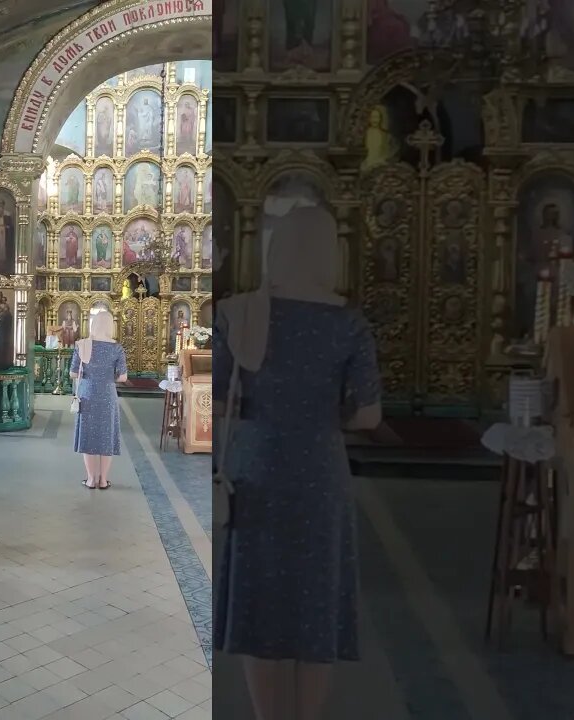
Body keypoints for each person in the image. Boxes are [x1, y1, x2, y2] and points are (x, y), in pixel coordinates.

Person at [214, 204, 382, 720]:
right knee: (314, 604)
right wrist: (321, 417)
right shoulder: (348, 324)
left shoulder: (237, 314)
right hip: (320, 472)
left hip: (256, 466)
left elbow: (220, 400)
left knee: (261, 601)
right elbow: (370, 416)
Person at [70, 309, 128, 490]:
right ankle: (103, 480)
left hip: (87, 394)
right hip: (107, 395)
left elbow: (72, 373)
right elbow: (123, 377)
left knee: (88, 436)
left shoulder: (82, 345)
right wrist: (108, 377)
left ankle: (90, 479)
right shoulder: (117, 348)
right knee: (106, 436)